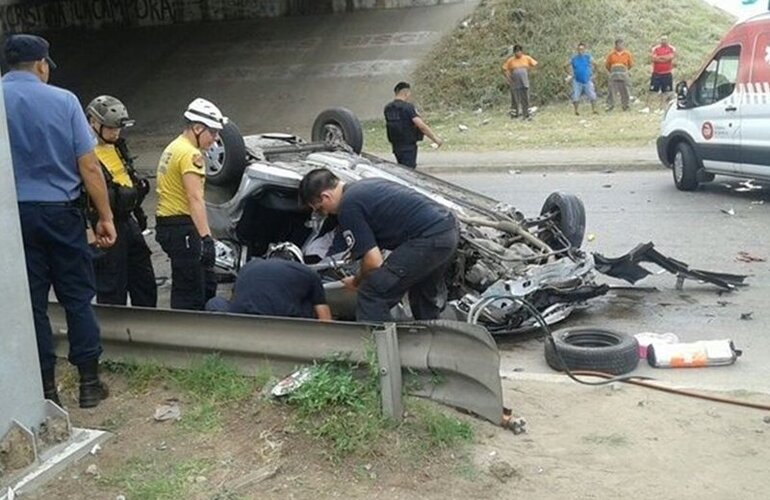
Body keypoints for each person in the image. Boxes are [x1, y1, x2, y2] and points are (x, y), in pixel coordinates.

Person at [3, 34, 116, 408]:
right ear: (40, 65)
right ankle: (88, 385)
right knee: (77, 297)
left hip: (13, 219)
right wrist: (105, 216)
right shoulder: (64, 101)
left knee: (31, 303)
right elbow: (89, 166)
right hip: (61, 214)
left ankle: (46, 390)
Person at [298, 168, 459, 322]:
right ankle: (431, 337)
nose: (325, 214)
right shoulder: (366, 186)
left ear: (326, 196)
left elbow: (374, 261)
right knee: (422, 293)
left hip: (427, 239)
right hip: (447, 230)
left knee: (372, 293)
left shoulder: (348, 206)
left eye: (320, 209)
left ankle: (377, 348)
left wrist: (356, 281)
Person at [86, 95, 157, 307]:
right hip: (105, 224)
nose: (116, 132)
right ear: (93, 123)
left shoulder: (117, 147)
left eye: (118, 128)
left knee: (144, 281)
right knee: (112, 287)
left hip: (128, 222)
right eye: (110, 128)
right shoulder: (85, 153)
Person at [155, 98, 225, 310]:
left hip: (169, 224)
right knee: (191, 291)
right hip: (181, 227)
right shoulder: (190, 154)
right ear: (197, 128)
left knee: (204, 281)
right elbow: (194, 199)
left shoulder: (175, 146)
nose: (215, 139)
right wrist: (206, 238)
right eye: (212, 132)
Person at [205, 242, 332, 320]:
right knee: (312, 302)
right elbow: (325, 319)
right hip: (282, 325)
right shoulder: (308, 272)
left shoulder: (248, 266)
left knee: (215, 302)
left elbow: (234, 298)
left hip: (242, 320)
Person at [383, 81, 442, 168]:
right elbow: (421, 126)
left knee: (402, 169)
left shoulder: (388, 108)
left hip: (396, 146)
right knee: (409, 171)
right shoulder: (408, 107)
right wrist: (435, 139)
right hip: (408, 146)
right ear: (406, 93)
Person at [502, 44, 538, 119]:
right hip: (514, 82)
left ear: (521, 51)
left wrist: (531, 73)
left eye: (519, 51)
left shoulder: (527, 58)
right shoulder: (511, 60)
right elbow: (505, 69)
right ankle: (514, 114)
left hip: (524, 81)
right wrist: (508, 79)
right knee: (515, 98)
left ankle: (526, 114)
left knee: (525, 98)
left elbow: (535, 65)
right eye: (516, 52)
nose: (517, 53)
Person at [566, 42, 598, 115]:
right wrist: (570, 74)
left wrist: (594, 74)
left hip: (587, 80)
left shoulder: (588, 57)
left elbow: (596, 64)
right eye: (579, 49)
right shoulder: (574, 58)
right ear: (577, 50)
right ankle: (576, 111)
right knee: (576, 96)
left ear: (584, 49)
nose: (581, 51)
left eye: (582, 49)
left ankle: (594, 110)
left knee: (592, 95)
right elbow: (565, 65)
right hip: (577, 80)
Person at [647, 35, 676, 111]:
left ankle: (662, 108)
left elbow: (670, 57)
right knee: (652, 91)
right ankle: (649, 108)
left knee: (666, 92)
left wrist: (660, 57)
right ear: (660, 40)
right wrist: (664, 58)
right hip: (656, 73)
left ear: (668, 40)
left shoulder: (671, 48)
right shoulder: (655, 49)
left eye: (665, 40)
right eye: (662, 40)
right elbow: (653, 58)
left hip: (667, 73)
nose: (664, 41)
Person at [605, 38, 634, 111]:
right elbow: (607, 65)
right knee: (611, 91)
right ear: (615, 45)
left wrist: (624, 70)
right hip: (614, 75)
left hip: (623, 75)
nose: (620, 46)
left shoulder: (627, 54)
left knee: (625, 90)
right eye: (618, 44)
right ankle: (610, 106)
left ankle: (626, 106)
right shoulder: (611, 54)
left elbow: (630, 65)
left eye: (622, 44)